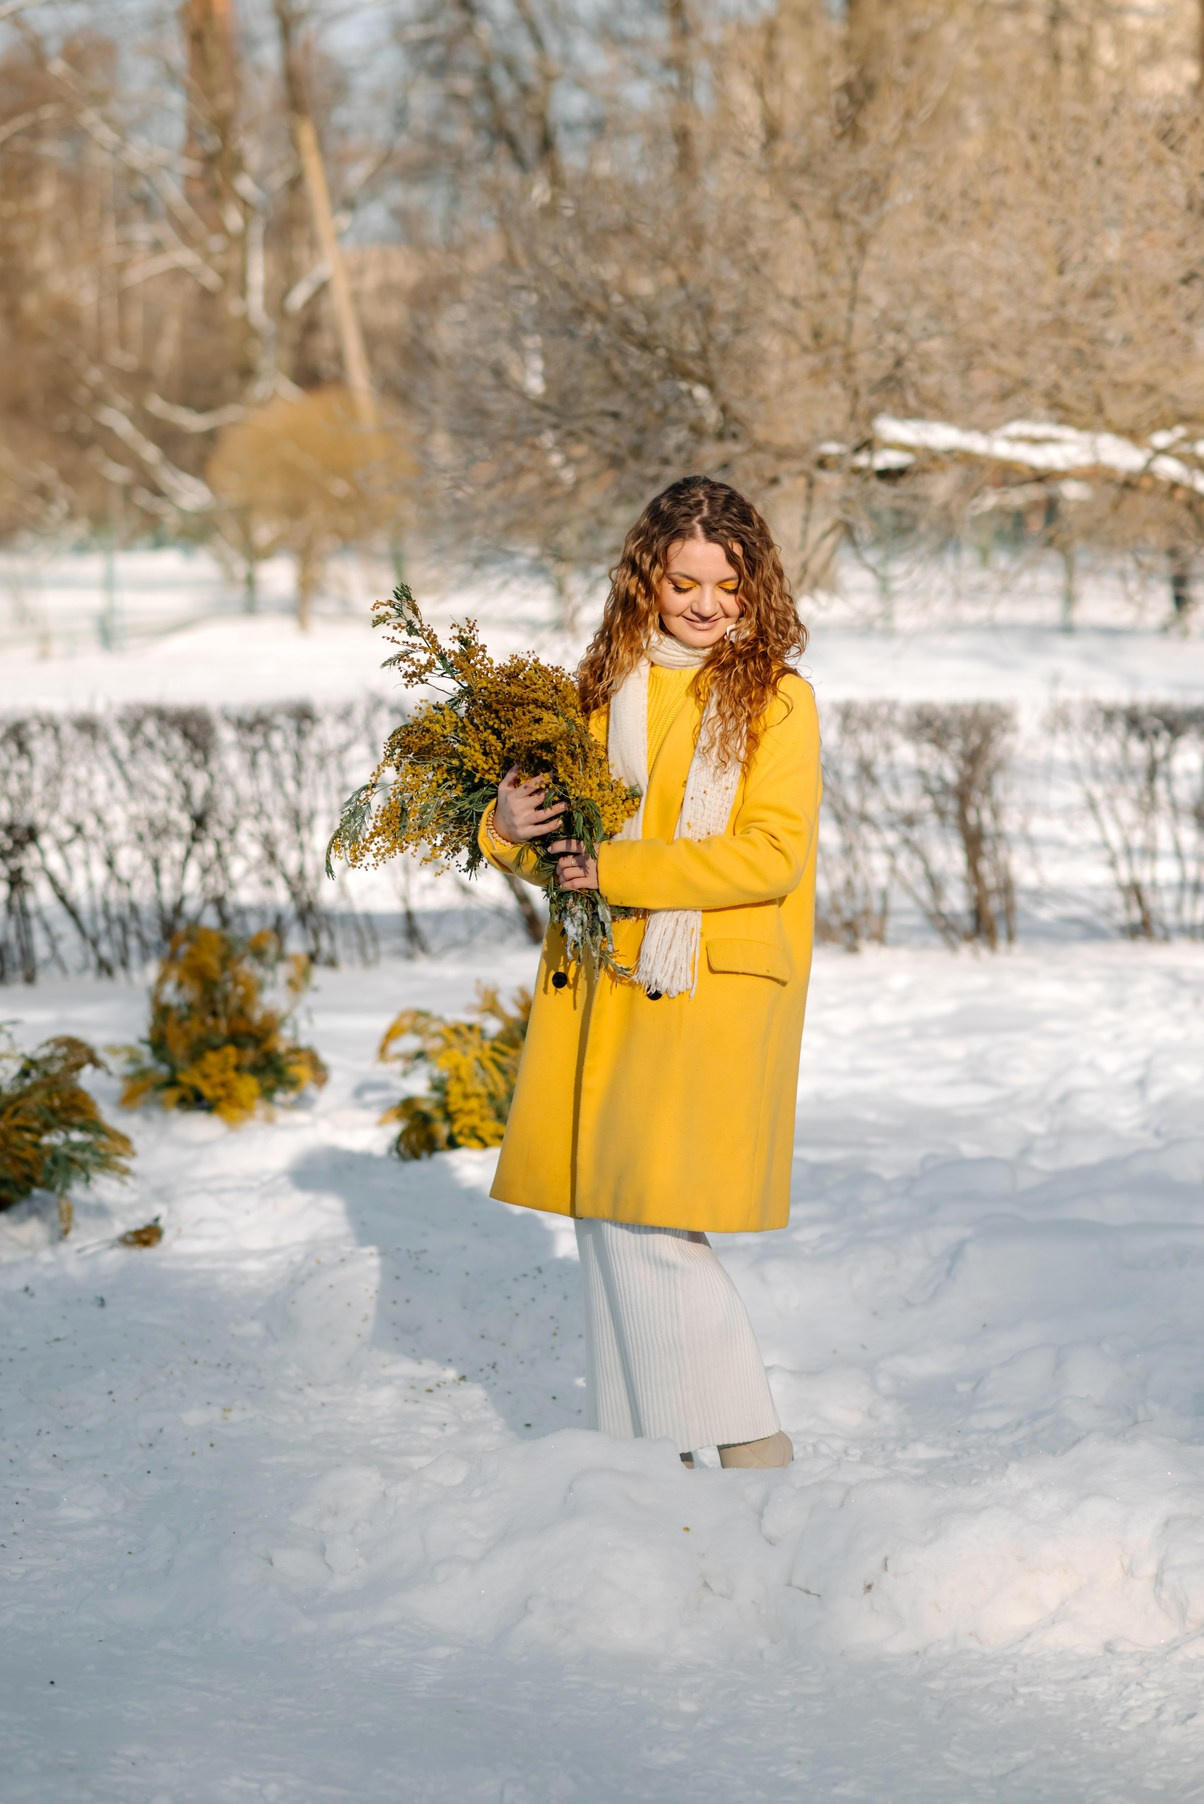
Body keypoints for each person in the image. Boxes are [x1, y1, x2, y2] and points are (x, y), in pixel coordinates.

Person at [478, 475, 822, 1470]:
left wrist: (616, 868)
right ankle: (644, 1459)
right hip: (603, 979)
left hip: (706, 983)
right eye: (683, 584)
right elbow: (545, 827)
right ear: (647, 582)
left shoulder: (779, 700)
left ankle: (746, 1444)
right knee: (607, 1217)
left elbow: (770, 854)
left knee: (651, 1223)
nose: (708, 606)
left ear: (757, 587)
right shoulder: (600, 692)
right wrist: (503, 825)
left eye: (728, 585)